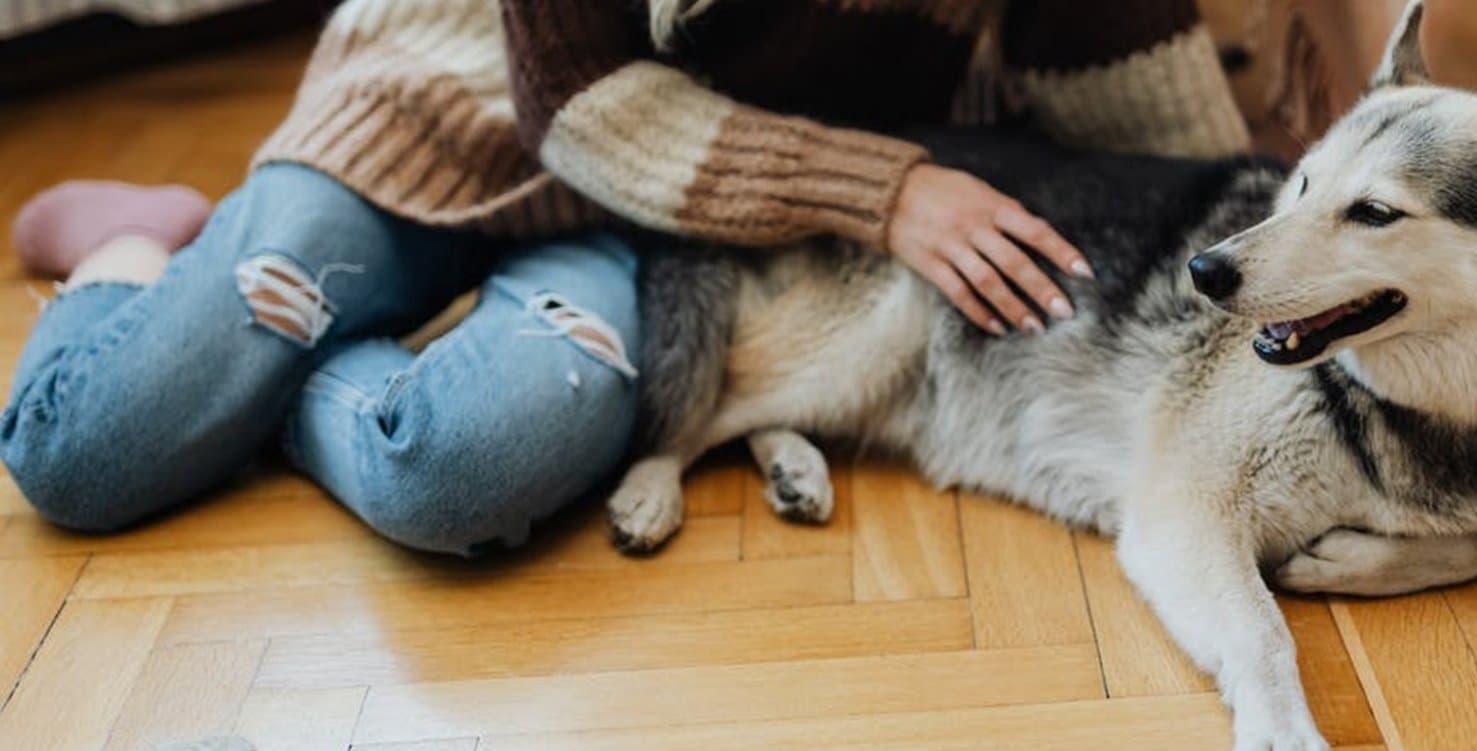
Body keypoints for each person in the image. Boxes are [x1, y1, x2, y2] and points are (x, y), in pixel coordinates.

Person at [2, 0, 1250, 556]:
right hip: (438, 119)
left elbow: (1153, 117)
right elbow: (579, 106)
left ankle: (269, 346)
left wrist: (1265, 253)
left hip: (671, 214)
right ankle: (139, 244)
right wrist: (886, 188)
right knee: (83, 454)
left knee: (457, 474)